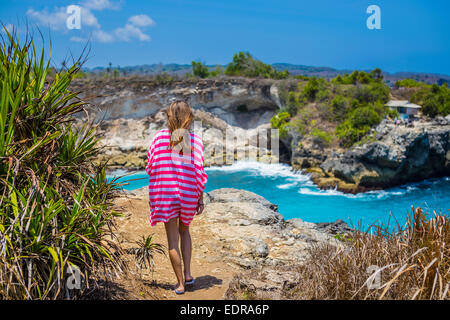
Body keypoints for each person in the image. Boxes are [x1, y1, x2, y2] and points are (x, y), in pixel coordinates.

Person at [145, 100, 208, 294]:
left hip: (166, 195)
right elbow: (199, 170)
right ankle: (188, 274)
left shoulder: (159, 138)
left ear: (169, 116)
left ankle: (180, 284)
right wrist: (200, 198)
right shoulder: (194, 140)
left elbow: (151, 166)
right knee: (185, 231)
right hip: (188, 194)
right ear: (189, 116)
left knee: (172, 241)